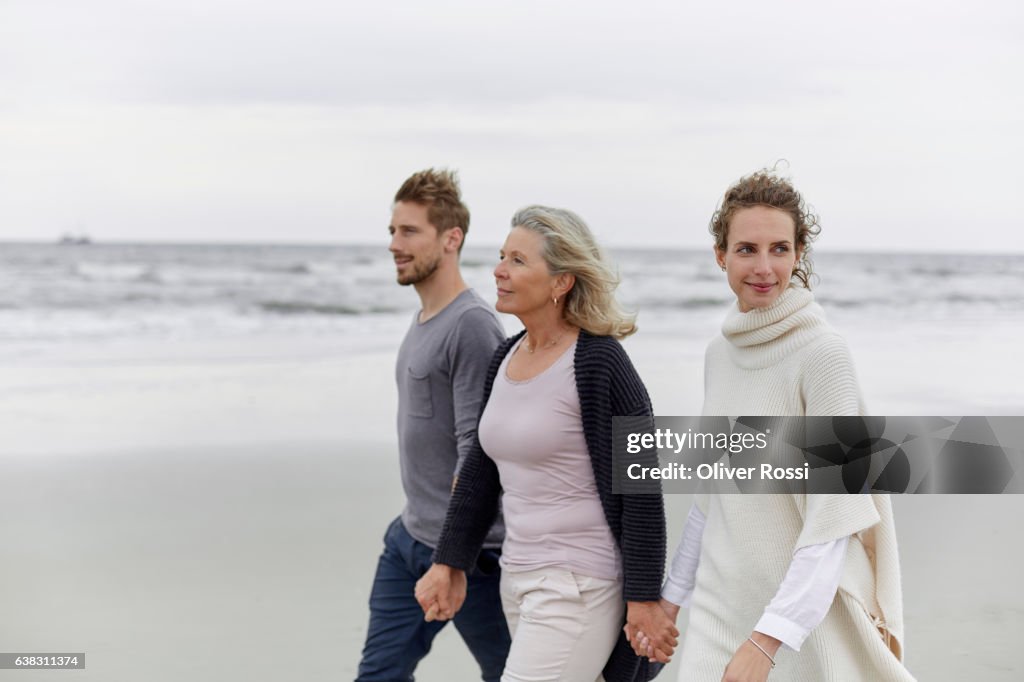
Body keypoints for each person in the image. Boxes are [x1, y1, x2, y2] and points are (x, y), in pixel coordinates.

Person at [633, 170, 914, 681]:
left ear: (798, 253)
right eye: (746, 250)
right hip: (720, 606)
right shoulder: (719, 354)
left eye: (779, 249)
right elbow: (710, 492)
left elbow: (834, 522)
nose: (764, 268)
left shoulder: (823, 355)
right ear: (721, 255)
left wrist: (767, 640)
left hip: (799, 621)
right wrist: (672, 601)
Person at [414, 205, 675, 682]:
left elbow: (641, 489)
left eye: (518, 260)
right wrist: (449, 562)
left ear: (561, 282)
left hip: (578, 584)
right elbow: (480, 471)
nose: (499, 270)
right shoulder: (506, 355)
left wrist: (642, 598)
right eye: (501, 256)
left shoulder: (600, 363)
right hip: (518, 578)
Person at [355, 168, 511, 681]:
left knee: (516, 676)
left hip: (471, 556)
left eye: (409, 232)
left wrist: (451, 561)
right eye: (392, 232)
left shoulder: (471, 325)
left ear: (451, 238)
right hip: (408, 541)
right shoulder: (427, 316)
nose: (394, 245)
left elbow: (478, 450)